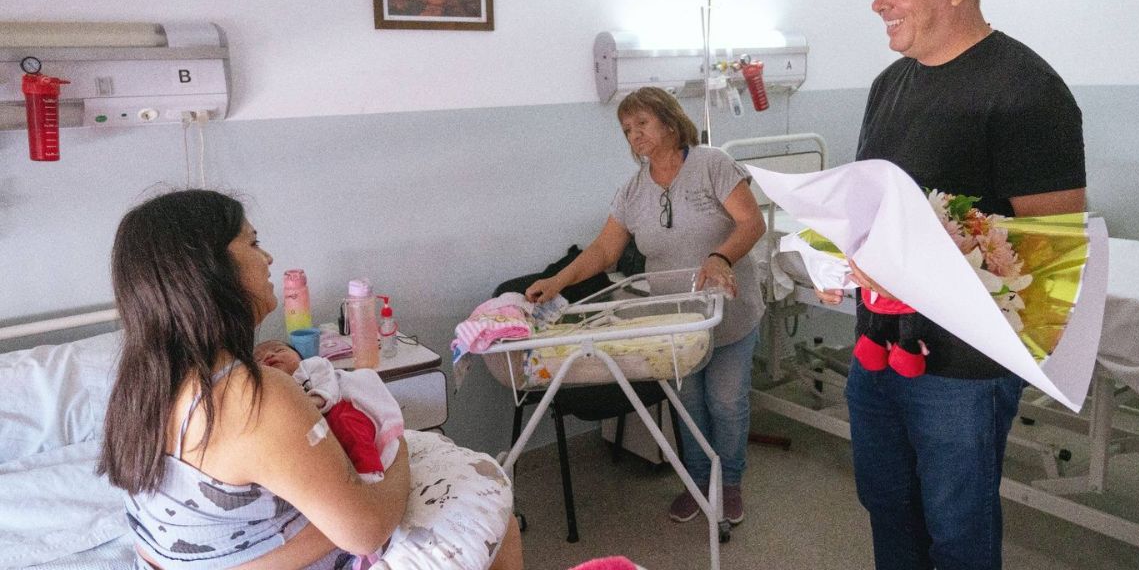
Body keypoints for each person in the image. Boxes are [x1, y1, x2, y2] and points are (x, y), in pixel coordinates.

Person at [815, 0, 1086, 570]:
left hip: (963, 371)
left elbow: (1053, 259)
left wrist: (919, 259)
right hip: (877, 348)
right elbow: (876, 202)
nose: (877, 1)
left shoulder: (1026, 92)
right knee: (887, 505)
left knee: (957, 526)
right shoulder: (888, 86)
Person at [98, 189, 524, 570]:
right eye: (253, 242)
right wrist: (400, 451)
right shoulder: (252, 398)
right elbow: (366, 530)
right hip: (331, 535)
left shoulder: (140, 387)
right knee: (491, 508)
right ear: (209, 270)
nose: (268, 259)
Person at [525, 86, 766, 526]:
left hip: (727, 312)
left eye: (642, 124)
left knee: (726, 402)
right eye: (626, 129)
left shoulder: (712, 165)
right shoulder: (633, 192)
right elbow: (604, 252)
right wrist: (556, 281)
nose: (634, 135)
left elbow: (753, 222)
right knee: (689, 407)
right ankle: (697, 485)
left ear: (670, 124)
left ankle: (729, 485)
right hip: (672, 322)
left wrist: (719, 257)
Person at [254, 339, 404, 480]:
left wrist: (312, 402)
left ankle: (369, 473)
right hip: (309, 428)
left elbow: (327, 387)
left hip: (335, 409)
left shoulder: (310, 366)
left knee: (346, 423)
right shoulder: (264, 388)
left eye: (278, 350)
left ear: (300, 357)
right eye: (258, 360)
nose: (268, 355)